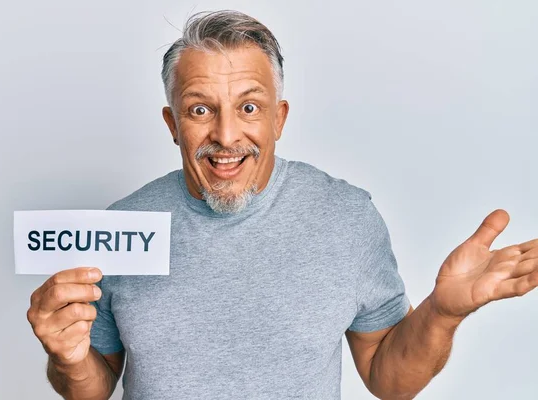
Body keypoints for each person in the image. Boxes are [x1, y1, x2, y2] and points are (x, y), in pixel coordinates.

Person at [26, 10, 538, 400]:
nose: (226, 136)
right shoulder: (120, 229)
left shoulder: (346, 217)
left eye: (249, 107)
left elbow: (389, 380)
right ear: (172, 124)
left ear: (279, 119)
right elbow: (93, 387)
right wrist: (68, 360)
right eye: (200, 110)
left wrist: (443, 314)